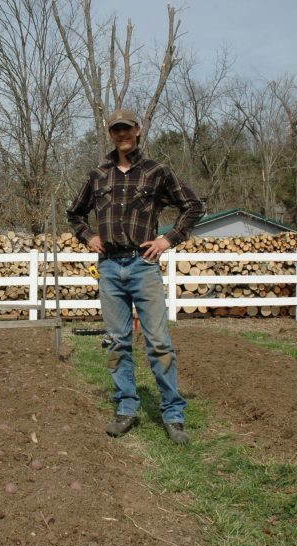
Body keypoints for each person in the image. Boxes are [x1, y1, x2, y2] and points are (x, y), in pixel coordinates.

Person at [66, 108, 205, 445]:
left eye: (127, 128)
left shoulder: (156, 172)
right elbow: (75, 214)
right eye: (116, 129)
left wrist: (167, 240)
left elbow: (193, 206)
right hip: (110, 267)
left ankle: (173, 414)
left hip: (143, 265)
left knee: (159, 342)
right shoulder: (98, 175)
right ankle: (126, 408)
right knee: (118, 341)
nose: (122, 134)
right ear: (110, 134)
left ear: (138, 130)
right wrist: (89, 237)